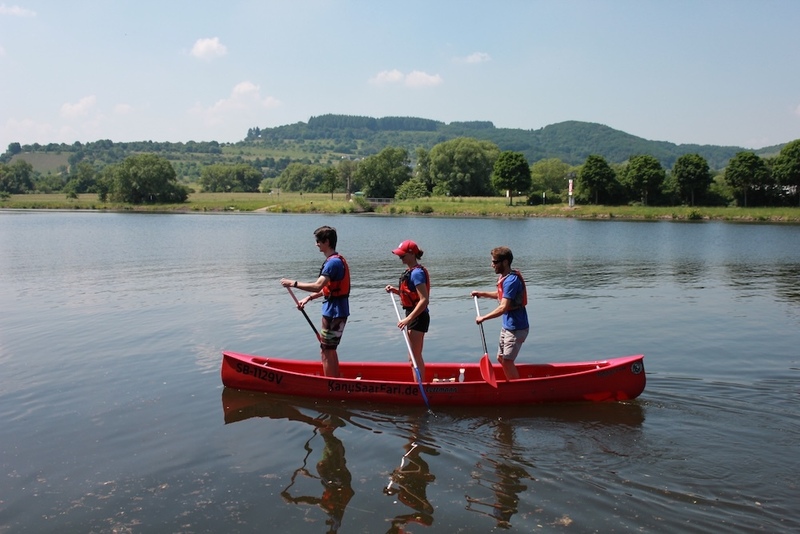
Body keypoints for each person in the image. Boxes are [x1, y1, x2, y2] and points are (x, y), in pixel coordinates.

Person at [281, 225, 350, 378]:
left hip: (334, 312)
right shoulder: (337, 260)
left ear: (327, 242)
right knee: (329, 349)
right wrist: (309, 298)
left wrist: (293, 283)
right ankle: (334, 380)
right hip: (336, 310)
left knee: (325, 350)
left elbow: (318, 285)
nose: (316, 244)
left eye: (318, 241)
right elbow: (328, 289)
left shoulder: (332, 263)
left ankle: (330, 385)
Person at [470, 246, 528, 380]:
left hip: (517, 328)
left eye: (495, 262)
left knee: (507, 361)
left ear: (505, 262)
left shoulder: (511, 281)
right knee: (501, 358)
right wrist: (481, 294)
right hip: (508, 326)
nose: (492, 265)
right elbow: (502, 295)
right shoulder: (505, 277)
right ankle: (510, 382)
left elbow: (503, 307)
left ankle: (516, 390)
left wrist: (483, 318)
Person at [385, 240, 430, 382]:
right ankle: (419, 385)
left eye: (402, 255)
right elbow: (412, 296)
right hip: (414, 315)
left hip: (417, 316)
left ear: (411, 254)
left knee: (414, 358)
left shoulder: (417, 273)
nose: (400, 258)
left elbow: (424, 300)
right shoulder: (412, 271)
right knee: (413, 356)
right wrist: (397, 291)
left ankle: (419, 388)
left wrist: (408, 319)